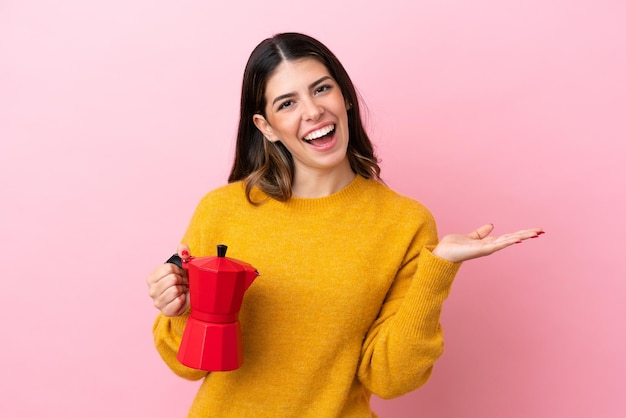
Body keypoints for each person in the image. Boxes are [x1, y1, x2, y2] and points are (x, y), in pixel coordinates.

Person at [146, 32, 543, 417]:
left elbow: (390, 379)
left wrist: (437, 269)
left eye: (321, 89)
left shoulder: (404, 222)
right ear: (266, 127)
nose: (313, 111)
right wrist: (180, 307)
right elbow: (188, 365)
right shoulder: (222, 210)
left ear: (345, 98)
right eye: (287, 103)